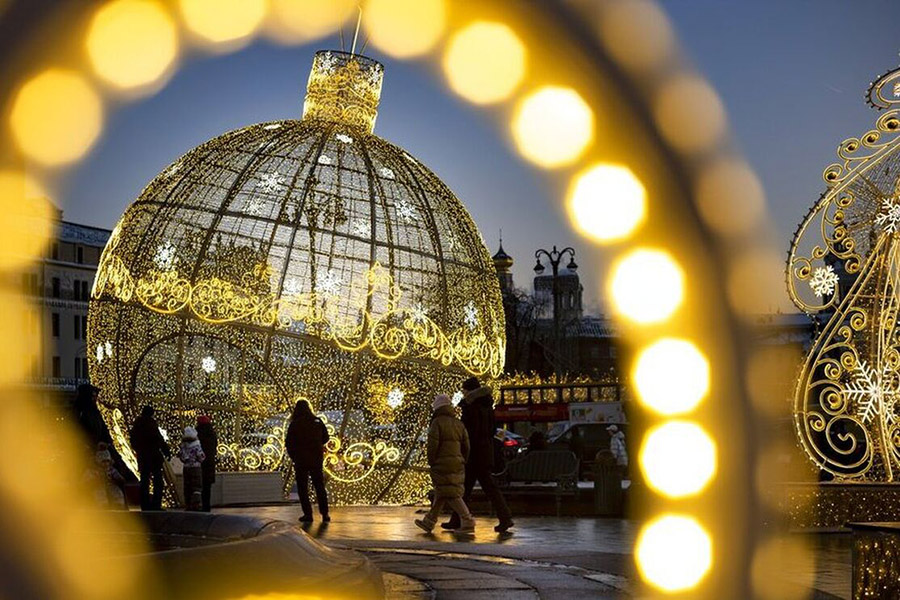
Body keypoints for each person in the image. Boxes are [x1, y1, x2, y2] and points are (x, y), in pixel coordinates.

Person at [443, 377, 514, 533]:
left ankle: (505, 518)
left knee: (474, 488)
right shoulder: (487, 406)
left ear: (469, 391)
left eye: (464, 390)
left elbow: (467, 432)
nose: (463, 393)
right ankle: (457, 519)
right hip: (484, 452)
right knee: (472, 488)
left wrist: (463, 448)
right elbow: (492, 430)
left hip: (474, 453)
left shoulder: (471, 407)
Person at [415, 394, 476, 533]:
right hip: (457, 462)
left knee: (451, 494)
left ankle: (467, 520)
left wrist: (432, 461)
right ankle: (429, 521)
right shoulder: (458, 423)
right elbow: (466, 446)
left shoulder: (437, 423)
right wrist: (462, 459)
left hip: (441, 463)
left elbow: (432, 446)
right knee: (442, 491)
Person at [285, 399, 330, 523]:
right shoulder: (317, 421)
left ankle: (308, 514)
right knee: (319, 486)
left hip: (301, 460)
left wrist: (294, 456)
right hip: (316, 459)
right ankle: (325, 513)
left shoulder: (295, 424)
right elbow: (326, 438)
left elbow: (289, 443)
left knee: (303, 488)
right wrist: (317, 445)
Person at [129, 405, 171, 511]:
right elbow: (158, 439)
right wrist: (166, 451)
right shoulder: (151, 424)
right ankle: (156, 504)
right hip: (153, 457)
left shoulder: (137, 425)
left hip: (143, 457)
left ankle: (145, 504)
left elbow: (133, 441)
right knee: (158, 481)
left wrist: (139, 450)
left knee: (144, 481)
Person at [179, 426, 206, 510]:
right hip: (196, 467)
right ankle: (196, 504)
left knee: (187, 486)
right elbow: (201, 456)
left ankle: (188, 504)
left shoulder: (183, 446)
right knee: (196, 486)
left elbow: (182, 457)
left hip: (186, 468)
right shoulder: (196, 445)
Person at [196, 415, 217, 512]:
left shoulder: (197, 434)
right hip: (209, 463)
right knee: (207, 486)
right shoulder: (212, 433)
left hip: (199, 463)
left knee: (198, 486)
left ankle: (197, 505)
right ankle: (206, 506)